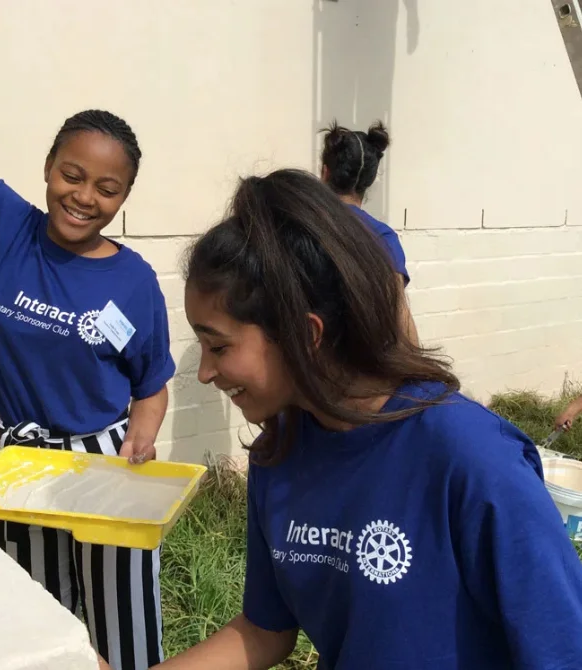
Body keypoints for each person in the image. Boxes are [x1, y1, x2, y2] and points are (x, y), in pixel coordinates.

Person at [103, 168, 582, 669]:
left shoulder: (473, 459)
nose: (204, 373)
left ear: (305, 334)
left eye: (219, 346)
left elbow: (562, 649)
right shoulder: (280, 452)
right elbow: (265, 629)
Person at [0, 109, 175, 670]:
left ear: (123, 198)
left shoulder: (134, 282)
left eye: (107, 189)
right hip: (22, 464)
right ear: (47, 168)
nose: (84, 196)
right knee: (38, 624)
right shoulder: (5, 228)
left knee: (125, 625)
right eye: (72, 175)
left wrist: (141, 437)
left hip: (107, 465)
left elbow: (151, 385)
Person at [321, 120, 419, 345]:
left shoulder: (300, 224)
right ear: (370, 180)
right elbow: (400, 318)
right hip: (359, 366)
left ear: (325, 172)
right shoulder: (382, 237)